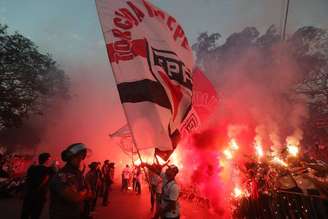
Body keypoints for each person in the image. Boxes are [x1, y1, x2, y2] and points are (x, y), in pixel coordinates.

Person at [49, 143, 93, 219]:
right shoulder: (61, 175)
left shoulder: (78, 174)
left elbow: (89, 193)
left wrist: (84, 192)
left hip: (76, 214)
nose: (80, 160)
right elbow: (74, 197)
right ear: (70, 158)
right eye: (78, 157)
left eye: (82, 158)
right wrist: (85, 192)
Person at [21, 152, 55, 219]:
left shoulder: (31, 168)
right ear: (47, 160)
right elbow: (56, 174)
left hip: (29, 195)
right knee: (35, 215)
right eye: (50, 159)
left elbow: (27, 179)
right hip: (39, 197)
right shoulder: (49, 170)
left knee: (25, 214)